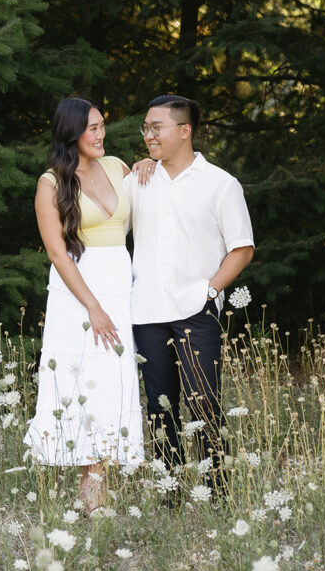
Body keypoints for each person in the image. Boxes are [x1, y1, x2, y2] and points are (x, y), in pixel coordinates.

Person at [124, 94, 254, 482]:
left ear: (185, 131)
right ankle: (170, 490)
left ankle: (218, 488)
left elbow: (242, 248)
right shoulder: (139, 180)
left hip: (196, 309)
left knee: (205, 404)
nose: (149, 135)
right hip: (146, 311)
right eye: (146, 128)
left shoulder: (221, 184)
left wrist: (210, 292)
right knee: (159, 408)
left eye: (156, 127)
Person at [24, 97, 145, 513]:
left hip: (119, 284)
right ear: (71, 132)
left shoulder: (117, 168)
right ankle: (89, 494)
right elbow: (58, 253)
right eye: (92, 128)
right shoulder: (51, 183)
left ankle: (102, 484)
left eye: (101, 126)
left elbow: (150, 191)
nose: (100, 134)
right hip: (79, 292)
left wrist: (148, 166)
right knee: (86, 382)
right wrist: (93, 307)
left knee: (115, 379)